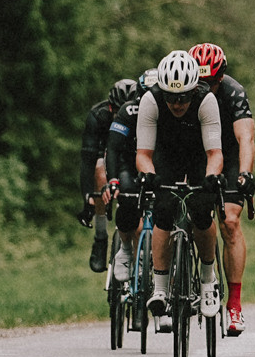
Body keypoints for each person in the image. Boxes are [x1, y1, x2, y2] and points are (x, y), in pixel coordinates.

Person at [135, 49, 224, 330]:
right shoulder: (150, 100)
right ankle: (160, 288)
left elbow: (215, 152)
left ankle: (208, 279)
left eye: (183, 96)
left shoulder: (206, 100)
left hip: (199, 156)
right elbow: (143, 153)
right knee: (163, 211)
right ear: (162, 91)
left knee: (201, 211)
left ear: (193, 89)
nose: (177, 103)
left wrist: (211, 177)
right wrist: (148, 176)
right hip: (167, 156)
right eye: (171, 97)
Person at [189, 42, 255, 334]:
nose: (206, 88)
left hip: (226, 156)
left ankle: (235, 304)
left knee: (229, 220)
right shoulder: (181, 92)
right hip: (195, 155)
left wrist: (244, 173)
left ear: (221, 78)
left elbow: (245, 138)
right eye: (201, 82)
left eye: (212, 82)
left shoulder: (233, 92)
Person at [79, 77, 143, 279]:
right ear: (109, 107)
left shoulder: (141, 113)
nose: (120, 115)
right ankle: (100, 237)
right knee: (99, 168)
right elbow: (88, 158)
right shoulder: (98, 116)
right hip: (107, 153)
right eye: (116, 111)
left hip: (132, 153)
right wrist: (87, 195)